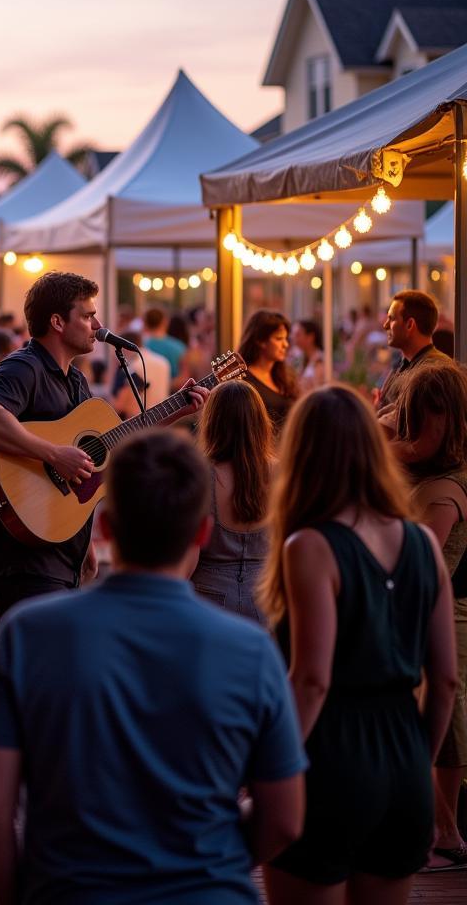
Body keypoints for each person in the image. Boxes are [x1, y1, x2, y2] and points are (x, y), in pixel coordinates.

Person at [0, 428, 307, 905]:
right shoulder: (251, 649)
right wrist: (213, 860)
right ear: (202, 531)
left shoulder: (25, 635)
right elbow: (285, 818)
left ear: (104, 526)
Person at [258, 385, 457, 905]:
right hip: (404, 765)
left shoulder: (311, 546)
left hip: (328, 761)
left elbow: (312, 679)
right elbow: (446, 681)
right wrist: (418, 758)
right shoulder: (421, 544)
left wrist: (266, 768)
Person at [0, 271, 205, 620]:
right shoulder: (24, 367)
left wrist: (177, 410)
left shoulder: (76, 381)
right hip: (23, 558)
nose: (97, 324)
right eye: (87, 315)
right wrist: (53, 454)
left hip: (62, 551)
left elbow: (104, 451)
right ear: (57, 322)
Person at [394, 360, 467, 870]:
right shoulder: (430, 468)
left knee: (445, 715)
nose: (412, 426)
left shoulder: (446, 487)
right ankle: (438, 828)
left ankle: (446, 832)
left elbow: (426, 568)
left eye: (423, 416)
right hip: (421, 608)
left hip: (440, 610)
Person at [189, 381, 272, 624]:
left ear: (213, 422)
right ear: (259, 422)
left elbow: (187, 557)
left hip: (207, 603)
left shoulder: (201, 474)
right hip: (266, 600)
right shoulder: (282, 473)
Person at [376, 289, 440, 412]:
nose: (385, 325)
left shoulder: (433, 375)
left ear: (410, 325)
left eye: (392, 318)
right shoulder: (402, 365)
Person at [238, 310, 299, 434]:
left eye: (286, 339)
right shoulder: (244, 380)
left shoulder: (286, 376)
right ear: (260, 341)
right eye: (279, 339)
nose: (285, 344)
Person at [143, 306, 187, 379]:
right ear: (165, 322)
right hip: (173, 390)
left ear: (145, 323)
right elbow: (184, 376)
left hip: (144, 389)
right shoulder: (178, 347)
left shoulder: (140, 346)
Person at [291, 318, 325, 393]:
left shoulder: (320, 361)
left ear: (310, 337)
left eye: (298, 335)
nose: (293, 338)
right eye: (293, 334)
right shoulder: (299, 358)